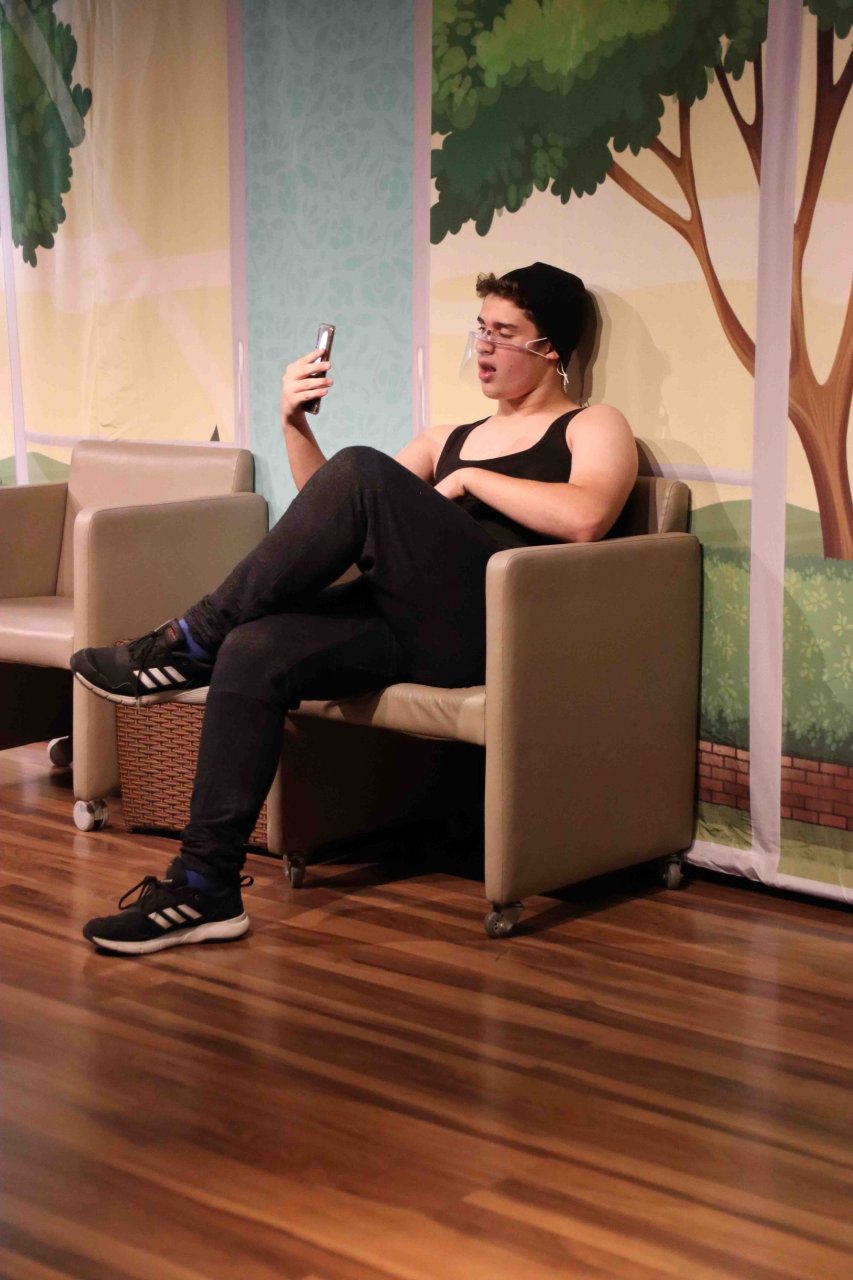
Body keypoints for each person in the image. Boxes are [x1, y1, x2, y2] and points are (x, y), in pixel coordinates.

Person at [72, 262, 638, 955]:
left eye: (503, 332)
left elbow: (586, 516)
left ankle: (188, 642)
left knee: (367, 468)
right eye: (480, 329)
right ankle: (203, 885)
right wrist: (293, 424)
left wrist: (470, 481)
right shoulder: (445, 438)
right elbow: (335, 516)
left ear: (549, 349)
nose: (483, 347)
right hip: (402, 627)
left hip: (490, 631)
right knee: (253, 650)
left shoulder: (591, 424)